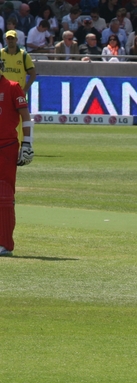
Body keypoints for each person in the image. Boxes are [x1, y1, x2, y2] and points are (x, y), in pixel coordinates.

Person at [0, 59, 33, 257]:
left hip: (6, 147)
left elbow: (25, 117)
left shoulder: (12, 87)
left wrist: (28, 143)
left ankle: (5, 244)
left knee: (4, 195)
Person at [1, 30, 35, 96]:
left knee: (22, 107)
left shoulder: (24, 55)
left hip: (18, 90)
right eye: (8, 38)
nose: (10, 40)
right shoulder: (1, 54)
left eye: (12, 38)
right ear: (6, 40)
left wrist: (25, 90)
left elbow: (33, 74)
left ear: (16, 39)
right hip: (4, 91)